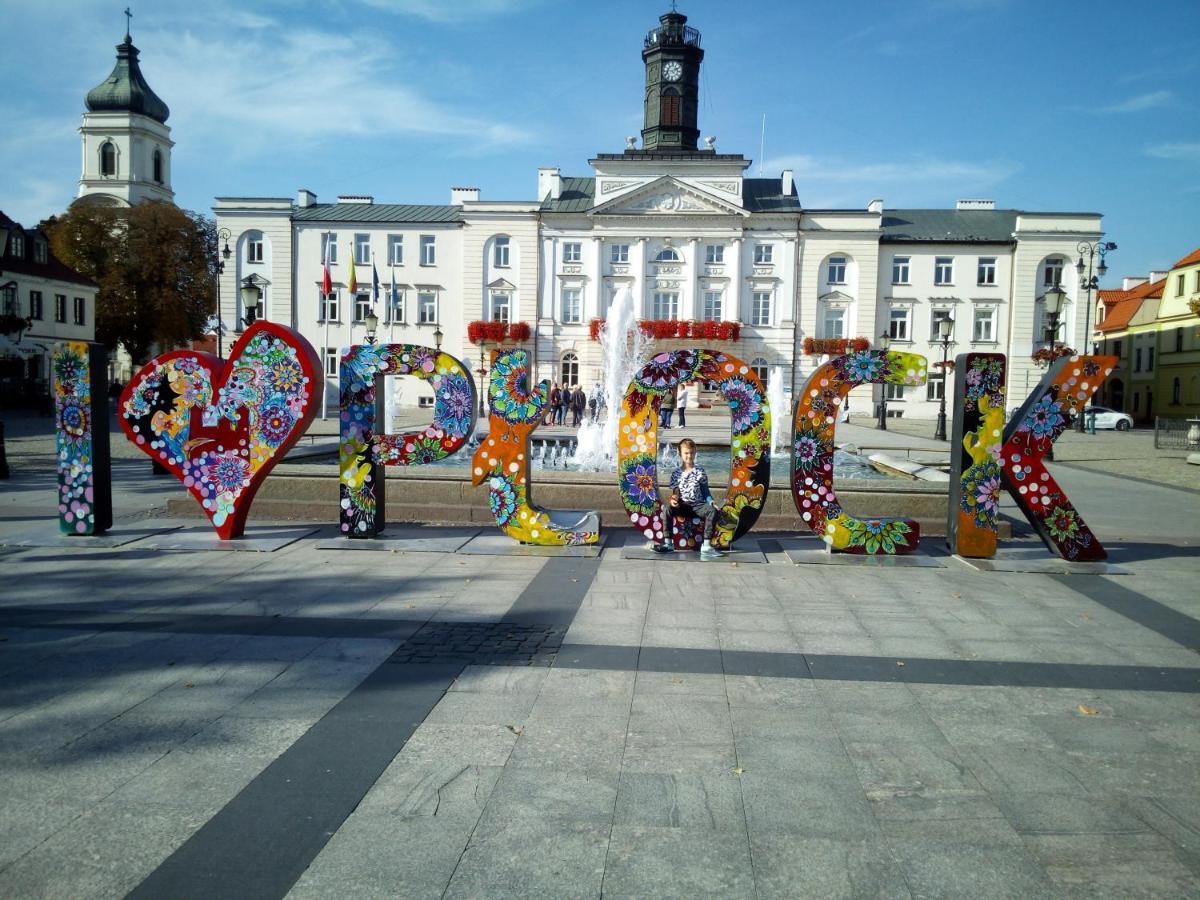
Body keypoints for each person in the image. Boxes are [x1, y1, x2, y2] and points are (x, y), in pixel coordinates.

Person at [653, 438, 724, 560]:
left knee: (712, 511)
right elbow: (676, 492)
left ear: (695, 452)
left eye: (691, 452)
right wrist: (673, 500)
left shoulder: (700, 471)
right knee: (667, 510)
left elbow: (705, 491)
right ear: (680, 454)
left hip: (698, 505)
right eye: (686, 453)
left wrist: (711, 502)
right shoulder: (676, 473)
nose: (689, 456)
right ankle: (668, 543)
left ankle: (706, 546)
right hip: (683, 505)